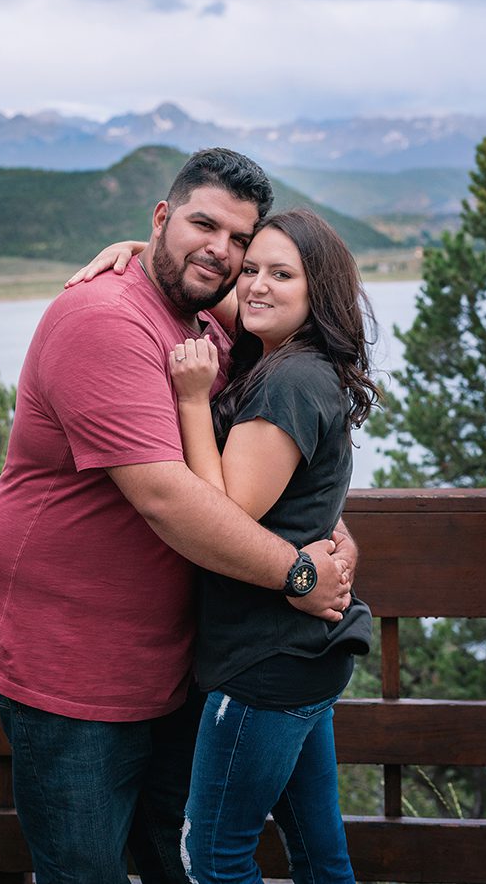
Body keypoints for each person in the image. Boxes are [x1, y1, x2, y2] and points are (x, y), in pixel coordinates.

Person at [0, 148, 357, 884]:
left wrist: (323, 524)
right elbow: (170, 497)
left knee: (178, 855)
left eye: (239, 239)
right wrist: (297, 570)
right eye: (204, 224)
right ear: (162, 216)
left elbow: (272, 451)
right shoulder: (105, 321)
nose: (223, 252)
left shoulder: (210, 316)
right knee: (85, 866)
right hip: (66, 656)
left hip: (169, 657)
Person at [167, 207, 376, 881]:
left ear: (318, 292)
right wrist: (135, 247)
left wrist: (194, 399)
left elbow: (220, 511)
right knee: (319, 851)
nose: (255, 285)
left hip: (265, 658)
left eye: (280, 273)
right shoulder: (302, 360)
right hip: (303, 653)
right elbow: (221, 290)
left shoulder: (287, 380)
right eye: (250, 268)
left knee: (212, 856)